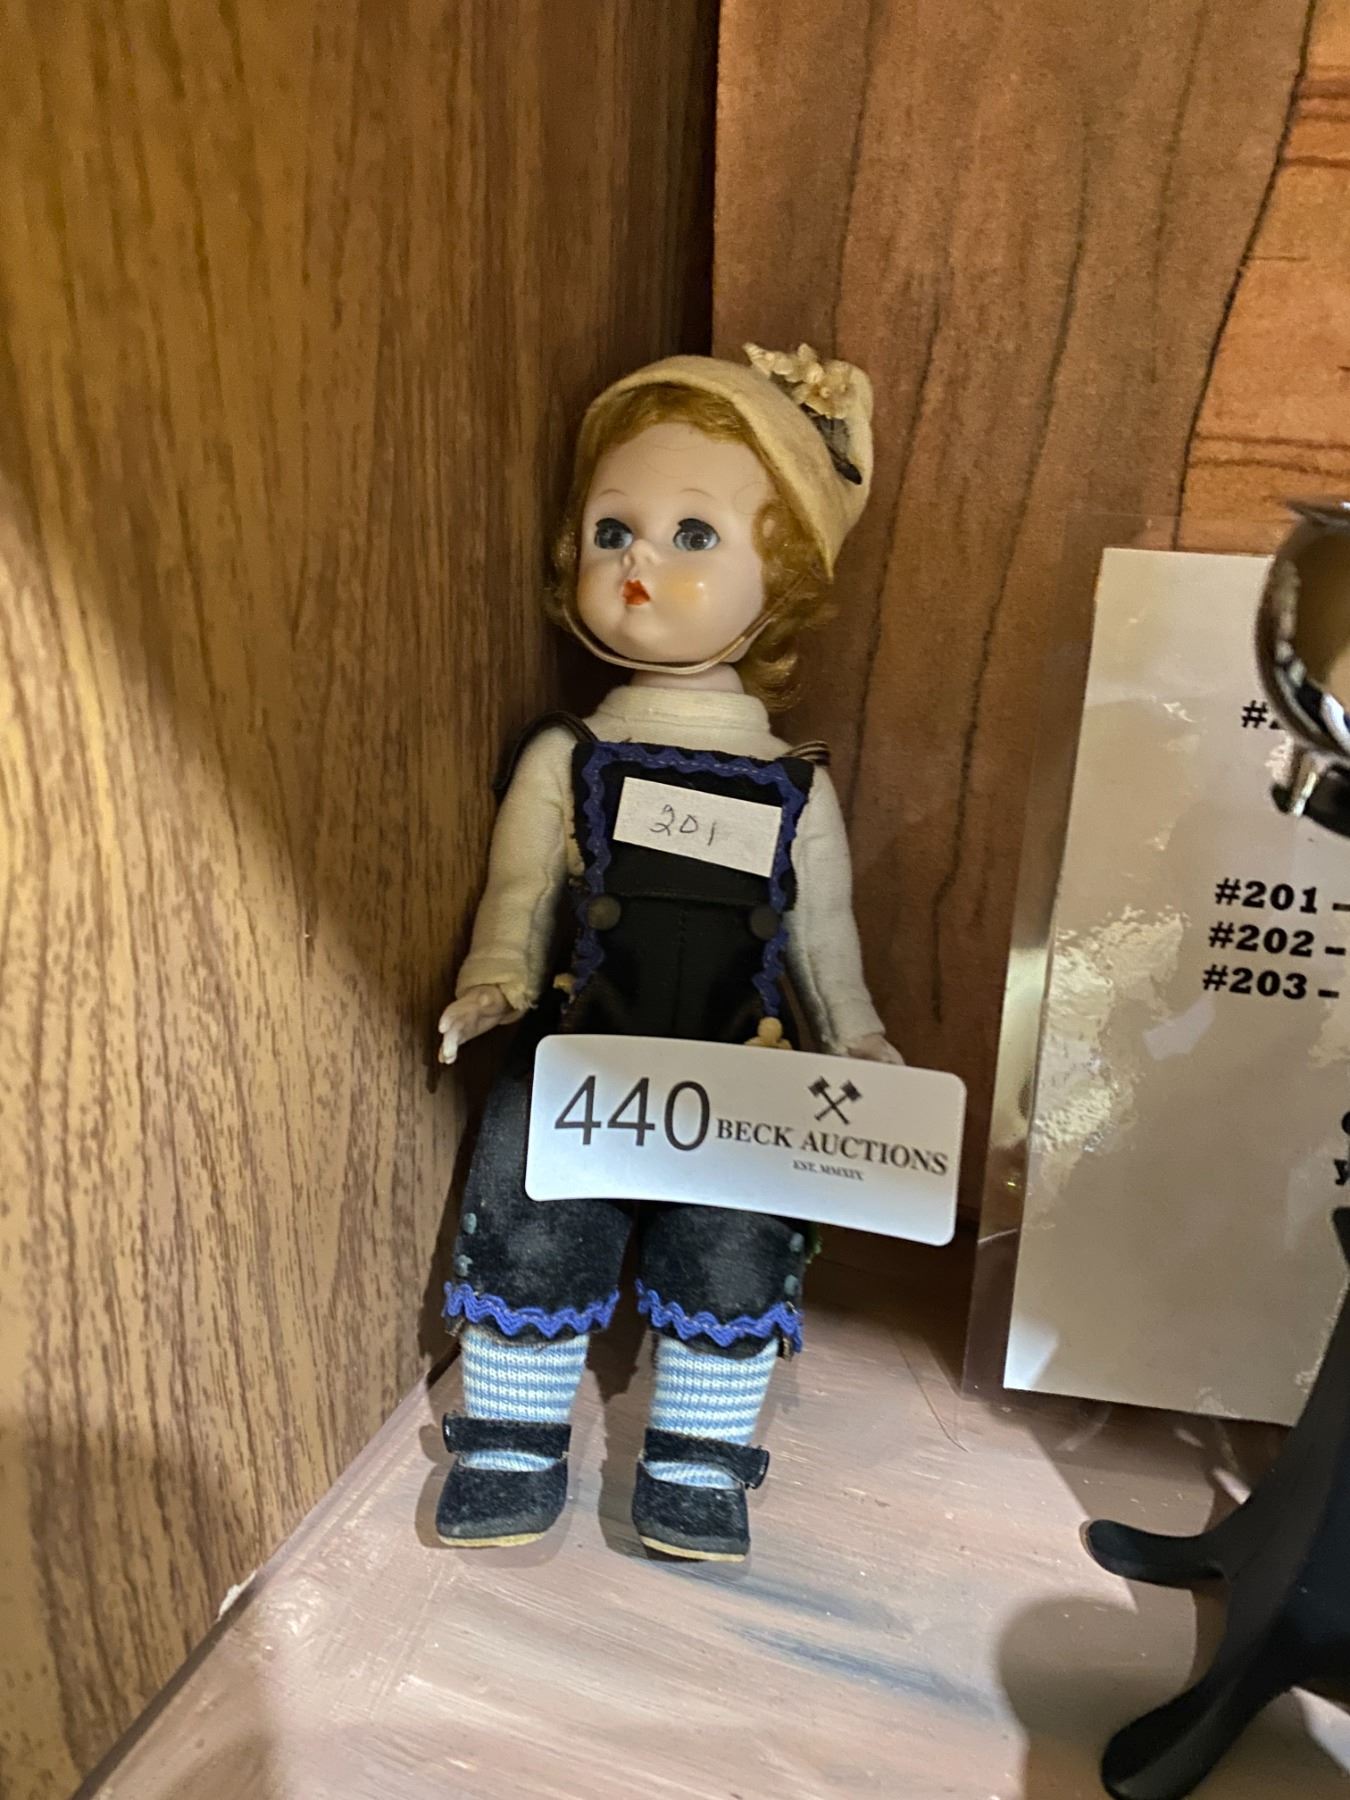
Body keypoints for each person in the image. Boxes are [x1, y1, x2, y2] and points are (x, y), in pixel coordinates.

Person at [434, 343, 899, 1561]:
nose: (639, 562)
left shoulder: (795, 782)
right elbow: (519, 894)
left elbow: (825, 935)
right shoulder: (569, 756)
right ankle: (509, 1444)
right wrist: (493, 983)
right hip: (583, 1051)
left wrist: (859, 1036)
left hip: (742, 1065)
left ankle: (696, 1463)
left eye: (695, 533)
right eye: (612, 530)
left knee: (735, 1242)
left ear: (784, 577)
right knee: (535, 1217)